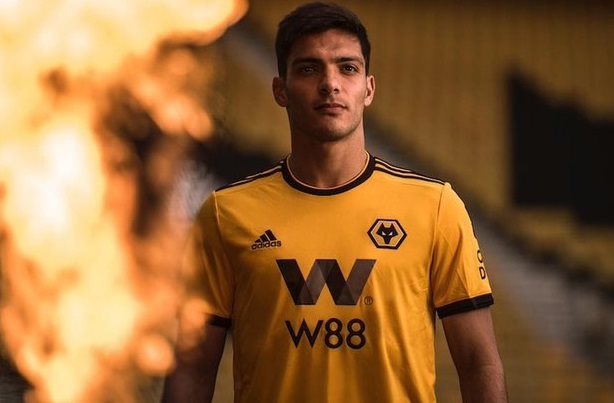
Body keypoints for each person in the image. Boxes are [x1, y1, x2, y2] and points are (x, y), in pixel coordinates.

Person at [162, 2, 507, 402]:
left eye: (347, 68)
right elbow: (193, 368)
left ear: (368, 88)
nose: (330, 83)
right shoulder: (225, 215)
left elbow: (479, 363)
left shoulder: (435, 207)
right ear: (280, 90)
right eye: (309, 69)